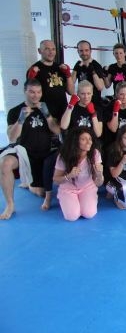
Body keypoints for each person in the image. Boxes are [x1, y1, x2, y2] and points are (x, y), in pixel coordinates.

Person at [0, 79, 60, 219]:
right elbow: (12, 137)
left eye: (38, 92)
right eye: (32, 92)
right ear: (25, 91)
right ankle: (10, 205)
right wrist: (21, 120)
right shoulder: (15, 111)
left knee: (41, 193)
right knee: (5, 163)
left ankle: (30, 184)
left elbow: (57, 131)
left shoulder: (46, 107)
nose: (35, 95)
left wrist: (48, 116)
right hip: (24, 154)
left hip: (45, 154)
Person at [52, 127, 104, 221]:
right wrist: (69, 176)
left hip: (87, 187)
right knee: (72, 217)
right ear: (75, 141)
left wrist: (99, 174)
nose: (89, 142)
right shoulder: (64, 156)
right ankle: (67, 200)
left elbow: (99, 183)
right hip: (68, 189)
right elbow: (56, 180)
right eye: (83, 139)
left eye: (90, 139)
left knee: (89, 214)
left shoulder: (95, 153)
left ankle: (83, 202)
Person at [26, 39, 74, 121]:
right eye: (47, 49)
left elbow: (71, 92)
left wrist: (68, 75)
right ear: (39, 51)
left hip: (63, 112)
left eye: (53, 49)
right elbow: (29, 95)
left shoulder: (60, 68)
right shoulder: (35, 69)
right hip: (45, 115)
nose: (51, 52)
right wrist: (30, 78)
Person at [71, 40, 106, 105]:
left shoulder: (96, 65)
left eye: (86, 50)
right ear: (78, 51)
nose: (84, 53)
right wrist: (75, 69)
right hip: (81, 104)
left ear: (90, 51)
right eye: (81, 51)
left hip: (95, 104)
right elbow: (71, 84)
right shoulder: (78, 65)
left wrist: (93, 71)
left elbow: (100, 87)